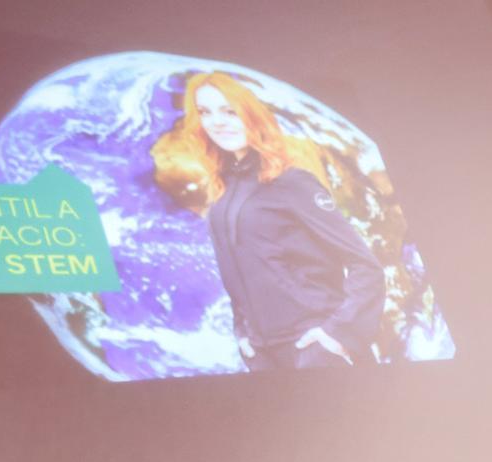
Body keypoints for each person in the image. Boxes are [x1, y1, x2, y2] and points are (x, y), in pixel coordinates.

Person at [151, 72, 385, 370]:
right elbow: (235, 268)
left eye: (229, 111)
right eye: (205, 112)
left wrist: (338, 335)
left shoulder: (292, 181)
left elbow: (365, 265)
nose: (217, 122)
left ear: (252, 115)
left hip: (313, 347)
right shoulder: (222, 193)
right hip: (263, 354)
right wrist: (243, 334)